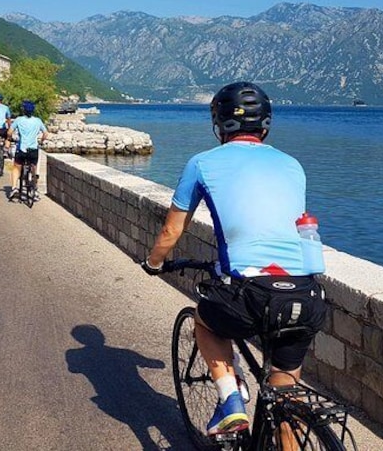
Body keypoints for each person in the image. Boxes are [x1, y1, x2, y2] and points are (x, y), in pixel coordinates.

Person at [140, 81, 327, 441]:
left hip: (250, 295)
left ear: (219, 124)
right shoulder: (293, 164)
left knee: (205, 320)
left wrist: (153, 264)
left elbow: (170, 232)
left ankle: (230, 400)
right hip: (305, 295)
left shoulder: (202, 163)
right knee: (284, 397)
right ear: (265, 124)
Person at [7, 100, 47, 200]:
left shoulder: (18, 120)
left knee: (16, 167)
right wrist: (41, 141)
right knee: (34, 166)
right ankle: (35, 190)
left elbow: (9, 132)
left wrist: (10, 138)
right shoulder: (38, 121)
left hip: (21, 149)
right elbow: (45, 133)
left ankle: (14, 188)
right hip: (33, 149)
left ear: (24, 110)